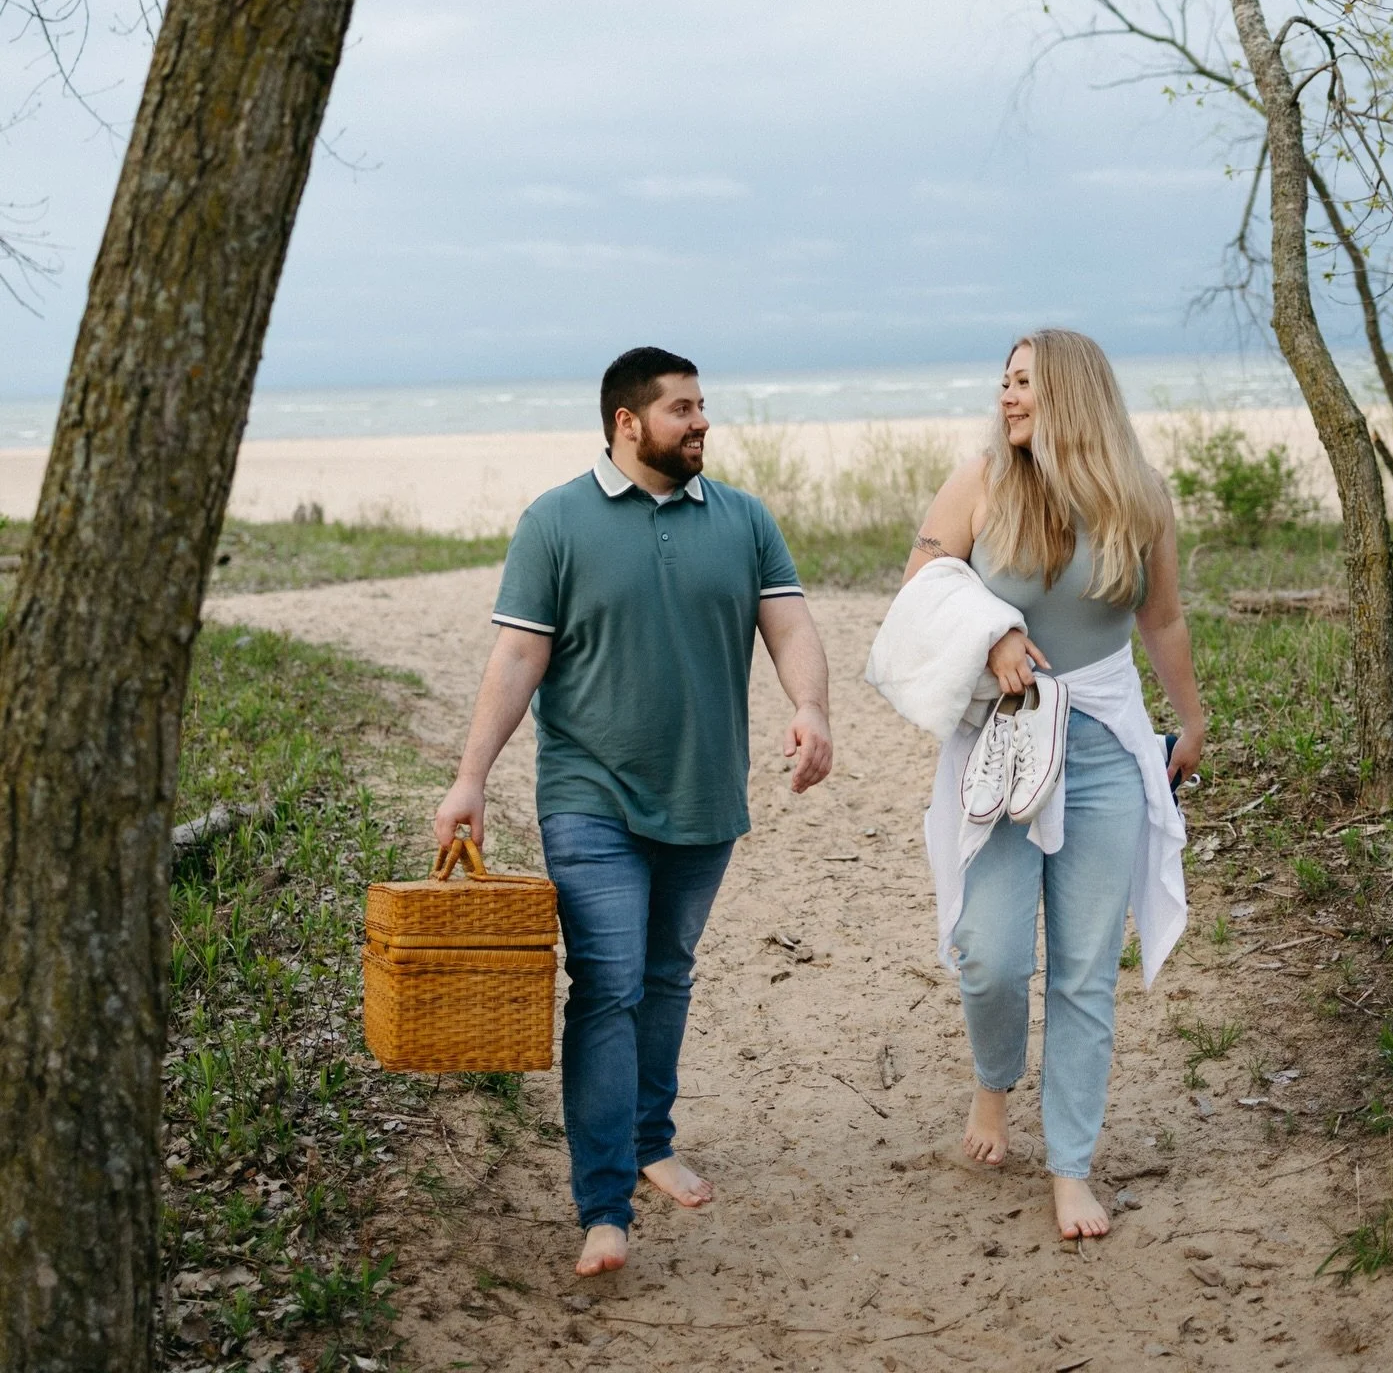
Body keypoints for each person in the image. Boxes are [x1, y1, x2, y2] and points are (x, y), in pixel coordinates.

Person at [434, 346, 833, 1277]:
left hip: (704, 796)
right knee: (608, 985)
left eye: (702, 407)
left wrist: (810, 709)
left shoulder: (743, 519)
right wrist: (471, 778)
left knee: (667, 976)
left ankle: (652, 1139)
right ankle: (603, 1204)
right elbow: (517, 661)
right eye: (682, 409)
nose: (701, 422)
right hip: (589, 797)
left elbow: (791, 627)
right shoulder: (556, 523)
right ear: (627, 422)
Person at [902, 328, 1204, 1241]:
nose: (1008, 396)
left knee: (1082, 971)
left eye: (1026, 382)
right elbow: (920, 584)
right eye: (1003, 381)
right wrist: (993, 633)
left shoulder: (1140, 497)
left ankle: (1071, 1165)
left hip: (1108, 741)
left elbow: (1164, 618)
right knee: (993, 954)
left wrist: (1189, 721)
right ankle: (994, 1085)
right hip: (1006, 740)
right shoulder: (984, 481)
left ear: (1073, 391)